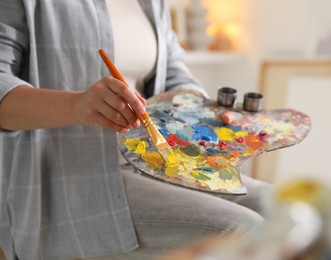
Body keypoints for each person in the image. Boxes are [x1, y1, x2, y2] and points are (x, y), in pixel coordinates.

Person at [0, 0, 270, 259]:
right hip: (71, 184)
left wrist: (199, 110)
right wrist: (78, 105)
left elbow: (173, 70)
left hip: (155, 163)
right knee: (242, 231)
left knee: (285, 210)